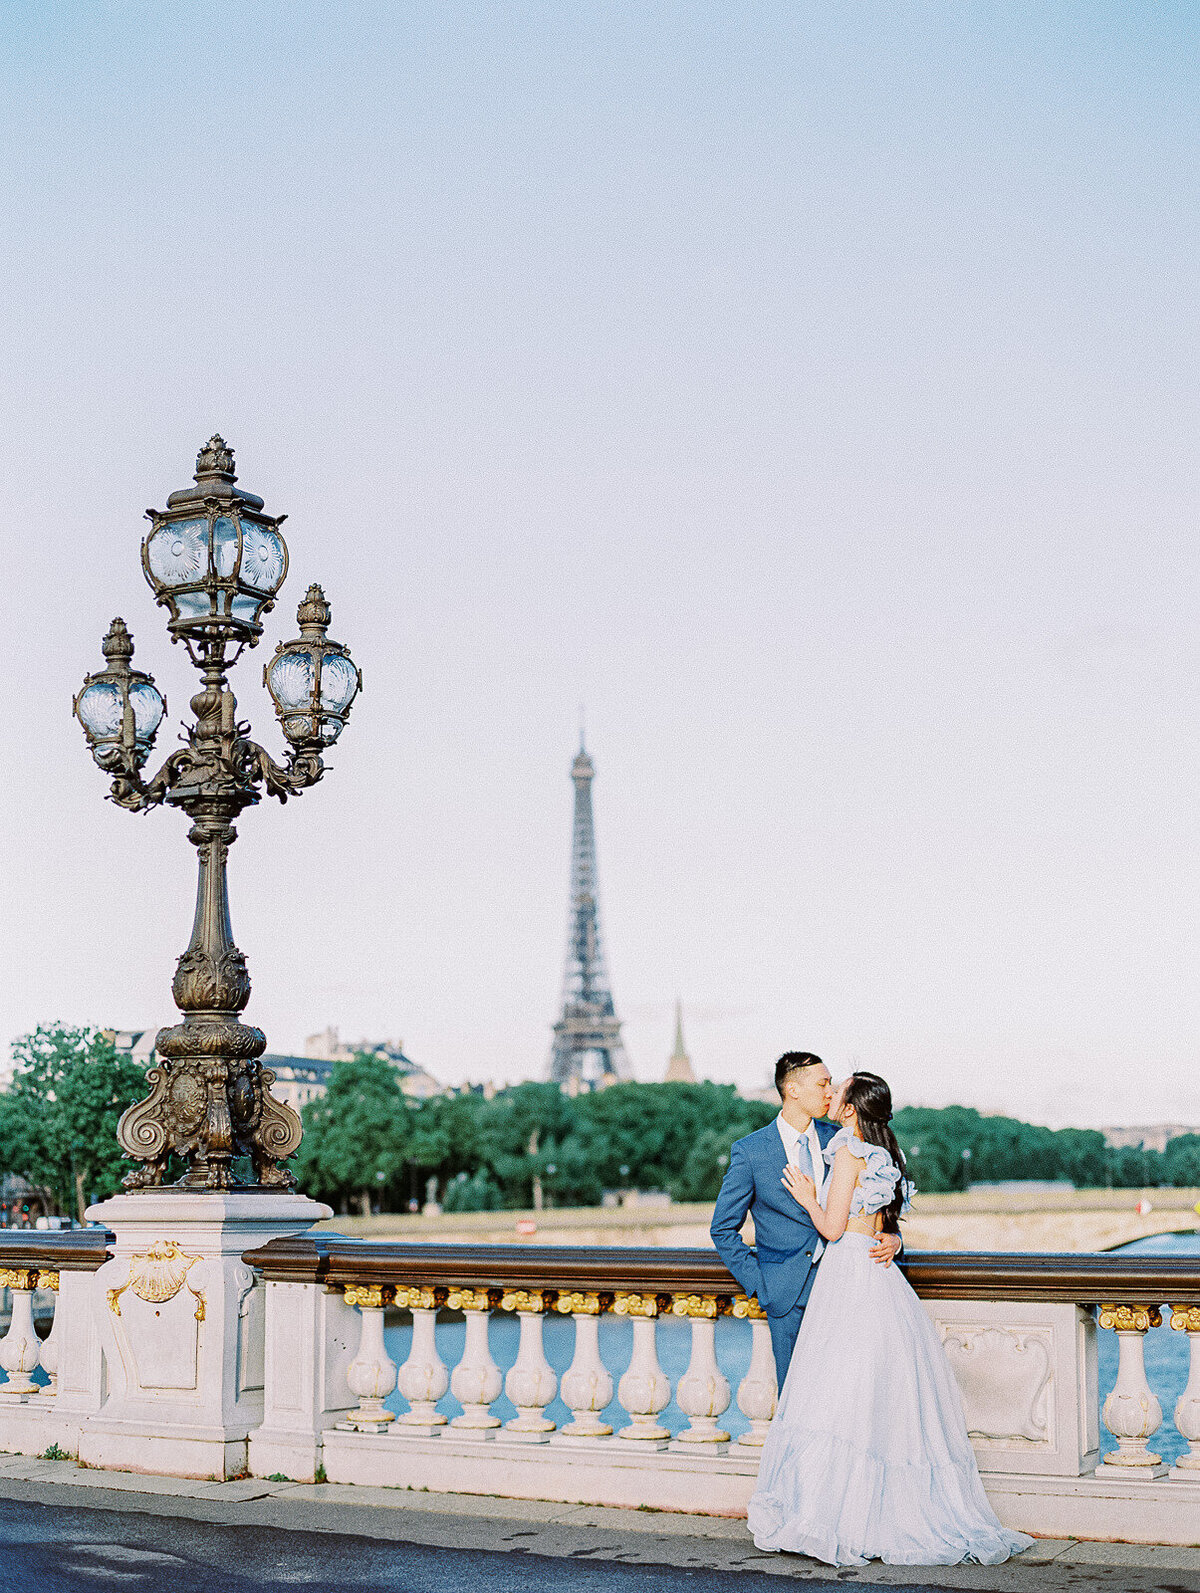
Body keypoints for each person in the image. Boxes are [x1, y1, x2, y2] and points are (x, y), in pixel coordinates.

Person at [747, 1070, 1033, 1567]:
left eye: (838, 1092)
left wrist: (808, 1197)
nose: (831, 1095)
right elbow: (881, 1219)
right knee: (883, 1395)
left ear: (852, 1109)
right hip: (880, 1279)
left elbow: (835, 1228)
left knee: (838, 1390)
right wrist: (894, 1238)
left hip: (847, 1273)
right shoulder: (882, 1154)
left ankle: (836, 1514)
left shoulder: (846, 1151)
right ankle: (880, 1513)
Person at [710, 1053, 901, 1392]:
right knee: (798, 1400)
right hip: (786, 1295)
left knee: (850, 1393)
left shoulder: (844, 1138)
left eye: (832, 1084)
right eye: (823, 1083)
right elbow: (723, 1228)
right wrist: (761, 1283)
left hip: (848, 1289)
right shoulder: (750, 1151)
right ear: (793, 1089)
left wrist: (894, 1240)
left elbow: (878, 1200)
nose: (830, 1091)